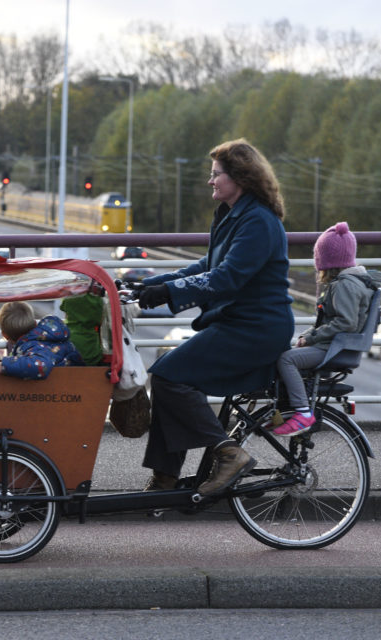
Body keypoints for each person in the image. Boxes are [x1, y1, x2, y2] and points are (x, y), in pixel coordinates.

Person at [136, 138, 294, 496]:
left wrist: (168, 293)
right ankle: (165, 478)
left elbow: (227, 277)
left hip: (255, 328)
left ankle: (228, 454)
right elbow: (207, 266)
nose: (210, 181)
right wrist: (150, 283)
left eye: (215, 175)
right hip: (237, 323)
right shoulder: (232, 215)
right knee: (167, 369)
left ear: (239, 177)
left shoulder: (258, 222)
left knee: (167, 376)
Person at [275, 222, 381, 435]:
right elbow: (327, 322)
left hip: (335, 349)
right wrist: (309, 335)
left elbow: (346, 322)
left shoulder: (344, 285)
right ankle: (286, 411)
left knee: (286, 359)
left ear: (326, 261)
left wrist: (312, 338)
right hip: (332, 345)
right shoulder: (353, 281)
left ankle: (303, 413)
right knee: (287, 353)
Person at [0, 301, 83, 379]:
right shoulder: (49, 336)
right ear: (35, 324)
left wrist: (4, 365)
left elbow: (40, 366)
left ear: (5, 335)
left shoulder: (33, 346)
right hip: (78, 378)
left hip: (67, 385)